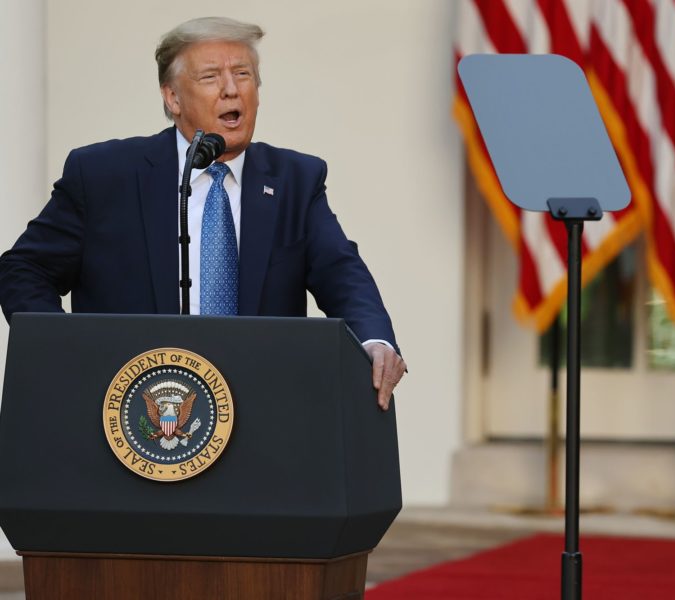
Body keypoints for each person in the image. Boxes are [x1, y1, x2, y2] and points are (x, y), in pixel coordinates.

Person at [0, 16, 406, 409]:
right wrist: (62, 350)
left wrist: (375, 342)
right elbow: (24, 269)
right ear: (172, 98)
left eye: (243, 75)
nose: (231, 90)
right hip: (129, 412)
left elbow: (342, 274)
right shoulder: (104, 175)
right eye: (211, 77)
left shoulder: (295, 180)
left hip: (259, 417)